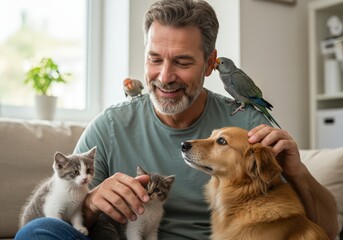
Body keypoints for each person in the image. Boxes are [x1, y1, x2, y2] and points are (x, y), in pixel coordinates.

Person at [15, 0, 339, 239]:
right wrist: (92, 204)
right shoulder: (110, 126)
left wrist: (297, 172)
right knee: (41, 230)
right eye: (155, 60)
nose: (165, 77)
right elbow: (67, 218)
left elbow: (325, 229)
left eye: (182, 62)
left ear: (211, 63)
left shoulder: (248, 127)